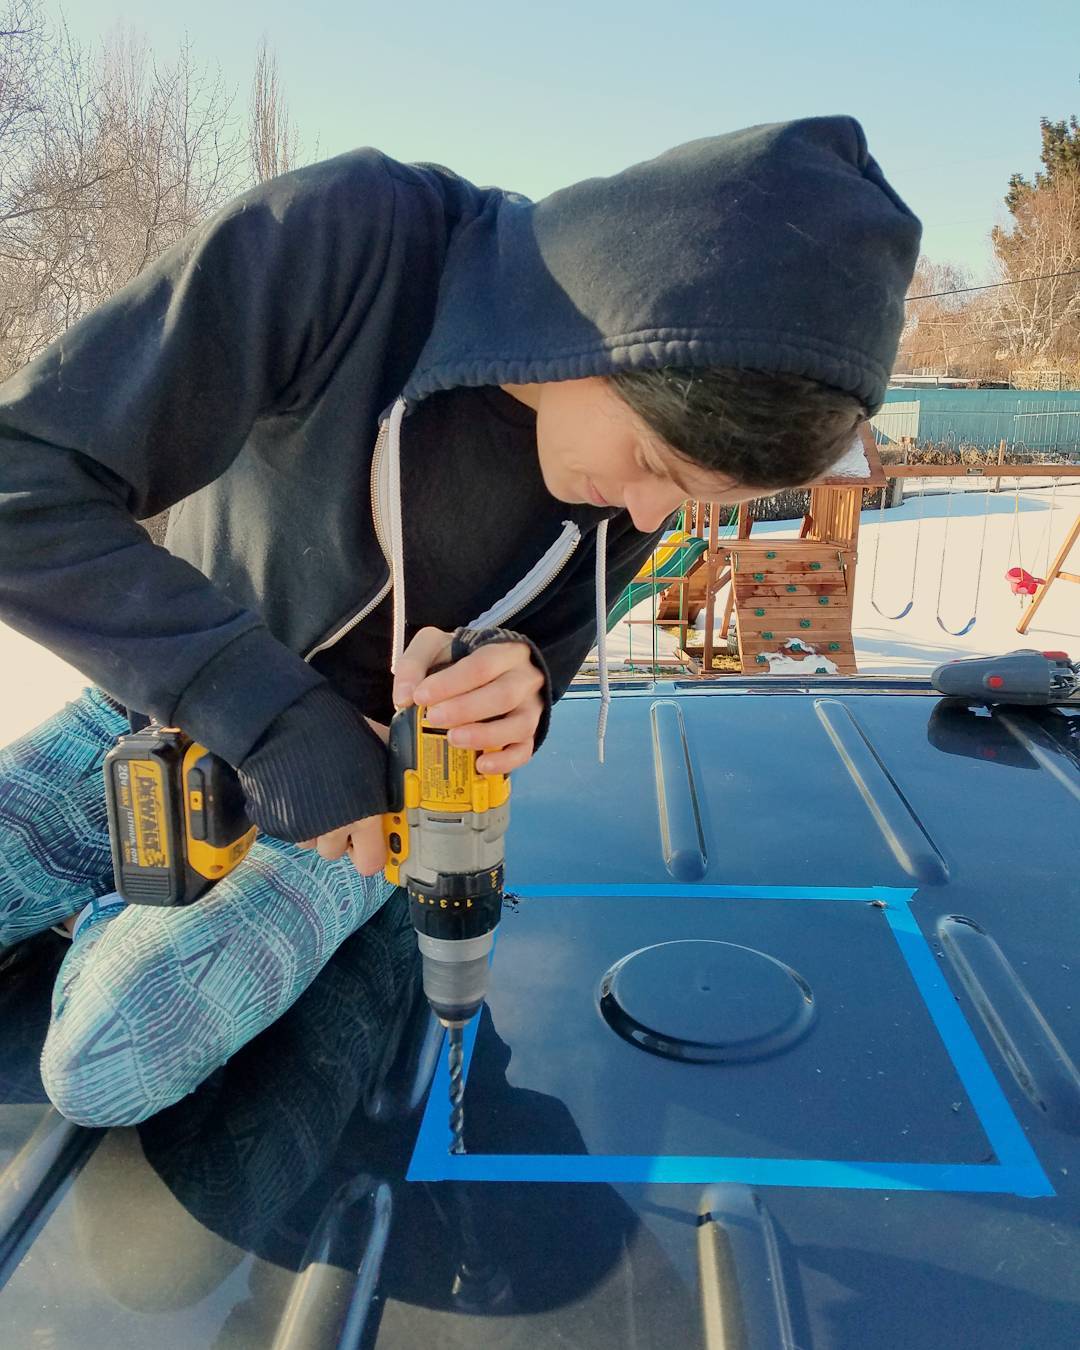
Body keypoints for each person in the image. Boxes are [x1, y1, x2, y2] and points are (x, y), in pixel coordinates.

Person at [0, 115, 920, 1127]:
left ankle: (106, 920)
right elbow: (23, 483)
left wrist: (519, 687)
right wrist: (258, 709)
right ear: (607, 331)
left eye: (695, 502)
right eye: (658, 467)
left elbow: (543, 654)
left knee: (111, 1059)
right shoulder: (351, 246)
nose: (652, 520)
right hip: (156, 721)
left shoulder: (629, 491)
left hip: (366, 816)